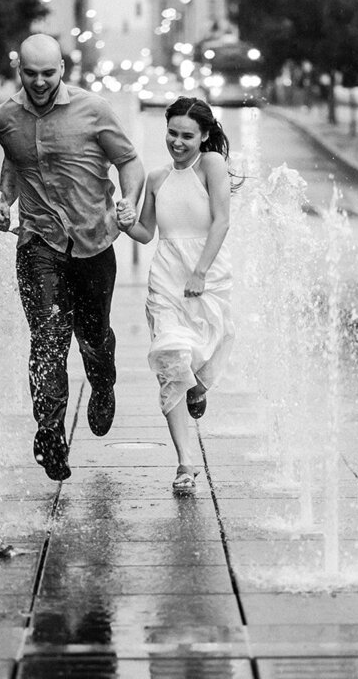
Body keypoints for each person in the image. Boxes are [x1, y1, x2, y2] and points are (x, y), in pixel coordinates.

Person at [0, 34, 146, 482]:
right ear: (19, 69)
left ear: (62, 69)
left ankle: (102, 383)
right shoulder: (6, 117)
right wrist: (3, 201)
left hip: (94, 243)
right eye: (30, 74)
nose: (39, 83)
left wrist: (130, 201)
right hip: (38, 244)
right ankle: (50, 433)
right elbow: (14, 162)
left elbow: (130, 161)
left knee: (93, 335)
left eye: (49, 73)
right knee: (47, 340)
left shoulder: (93, 110)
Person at [119, 97, 236, 491]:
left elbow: (222, 221)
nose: (178, 142)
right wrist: (122, 221)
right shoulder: (156, 178)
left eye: (188, 135)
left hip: (207, 274)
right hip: (166, 279)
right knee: (170, 360)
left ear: (204, 136)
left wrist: (201, 271)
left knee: (200, 360)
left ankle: (198, 388)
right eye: (172, 133)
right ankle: (185, 463)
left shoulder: (211, 166)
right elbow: (146, 233)